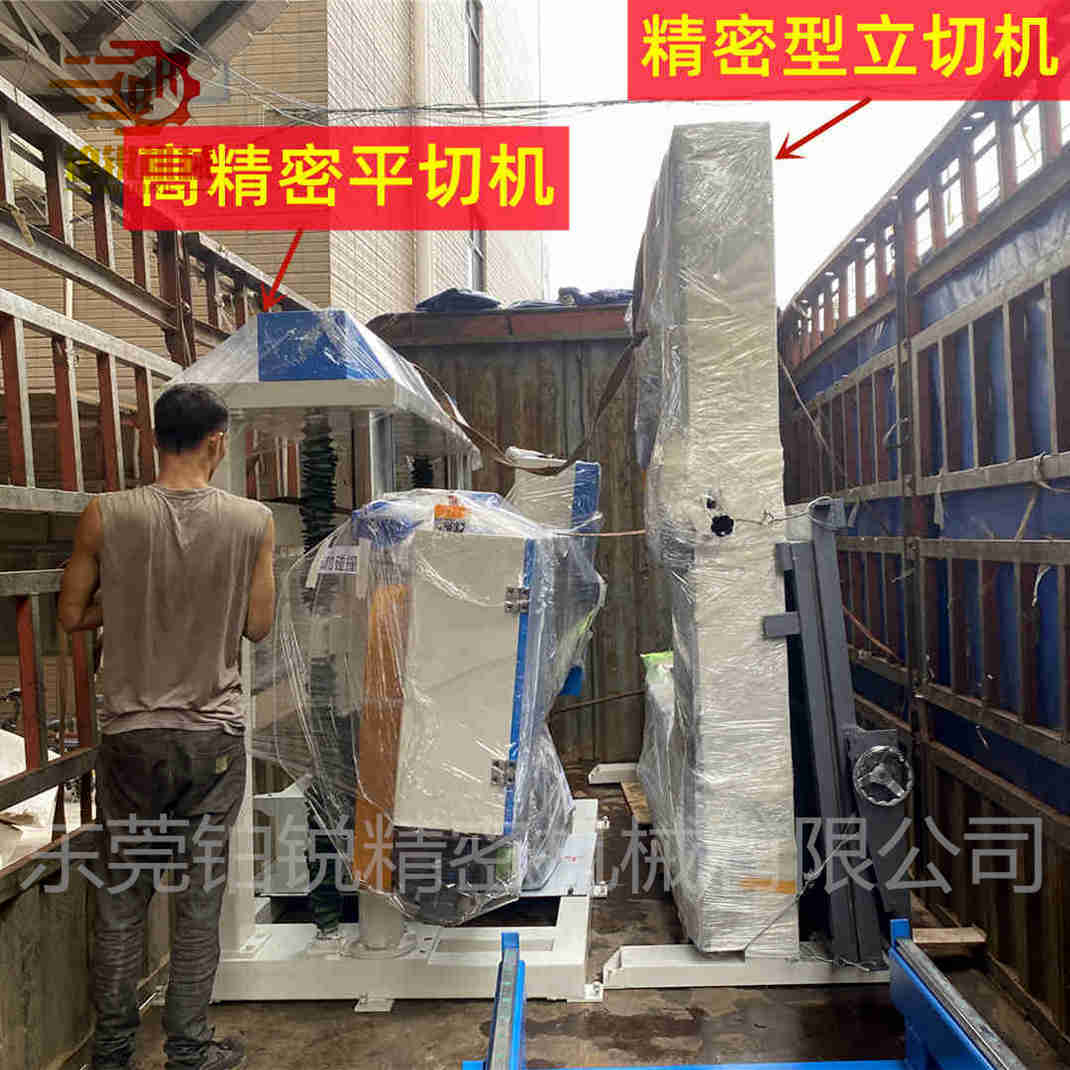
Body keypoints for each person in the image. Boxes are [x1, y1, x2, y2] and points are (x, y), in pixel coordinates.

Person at [59, 383, 275, 1070]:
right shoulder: (252, 521)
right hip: (211, 740)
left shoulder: (106, 514)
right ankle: (188, 1047)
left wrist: (131, 600)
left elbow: (71, 615)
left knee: (124, 898)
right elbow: (259, 625)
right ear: (217, 442)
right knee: (198, 902)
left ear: (153, 439)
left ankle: (112, 1053)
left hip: (131, 738)